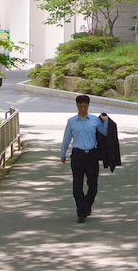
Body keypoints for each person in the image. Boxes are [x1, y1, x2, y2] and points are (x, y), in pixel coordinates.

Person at [59, 94, 109, 223]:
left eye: (85, 106)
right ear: (77, 106)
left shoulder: (94, 120)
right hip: (78, 155)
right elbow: (66, 138)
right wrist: (63, 153)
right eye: (80, 106)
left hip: (92, 155)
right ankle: (81, 212)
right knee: (77, 185)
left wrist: (106, 121)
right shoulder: (71, 121)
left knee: (93, 185)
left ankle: (87, 205)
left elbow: (104, 133)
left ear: (88, 105)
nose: (82, 108)